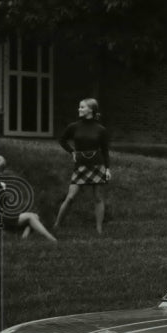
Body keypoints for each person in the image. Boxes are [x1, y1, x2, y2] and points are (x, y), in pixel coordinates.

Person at [54, 97, 111, 235]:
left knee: (98, 197)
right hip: (80, 166)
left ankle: (99, 230)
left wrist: (107, 169)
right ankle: (56, 225)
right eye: (79, 107)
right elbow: (62, 140)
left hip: (97, 165)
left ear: (91, 110)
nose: (79, 109)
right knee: (71, 196)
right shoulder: (74, 126)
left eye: (82, 107)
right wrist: (72, 151)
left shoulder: (101, 129)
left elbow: (105, 151)